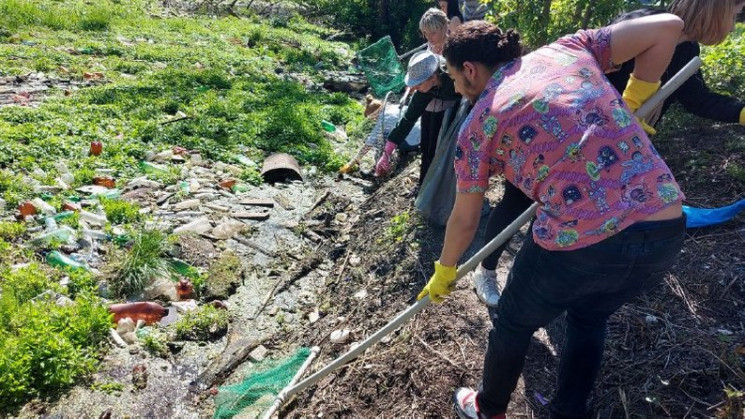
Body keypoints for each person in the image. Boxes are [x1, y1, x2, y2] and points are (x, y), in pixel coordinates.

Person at [414, 10, 733, 416]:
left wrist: (445, 269)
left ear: (471, 70)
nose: (458, 89)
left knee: (513, 321)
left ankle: (488, 407)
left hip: (583, 242)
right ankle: (568, 411)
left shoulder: (478, 126)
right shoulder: (567, 49)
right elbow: (669, 26)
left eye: (457, 79)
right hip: (666, 225)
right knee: (588, 317)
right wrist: (636, 94)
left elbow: (465, 217)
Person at [469, 0, 745, 309]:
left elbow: (697, 98)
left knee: (576, 208)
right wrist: (622, 104)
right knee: (518, 198)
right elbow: (588, 68)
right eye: (735, 11)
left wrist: (741, 112)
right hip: (562, 133)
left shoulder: (687, 50)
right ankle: (487, 268)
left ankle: (551, 277)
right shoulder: (645, 22)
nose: (737, 18)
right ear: (717, 8)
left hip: (611, 151)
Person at [374, 47, 461, 186]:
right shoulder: (423, 91)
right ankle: (428, 185)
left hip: (464, 103)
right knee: (429, 147)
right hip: (439, 101)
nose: (414, 88)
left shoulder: (454, 76)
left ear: (433, 78)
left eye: (418, 83)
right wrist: (386, 154)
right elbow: (407, 120)